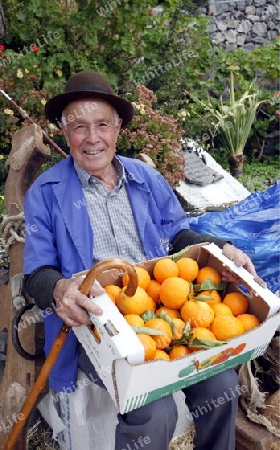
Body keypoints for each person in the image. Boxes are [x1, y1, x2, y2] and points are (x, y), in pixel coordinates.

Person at [23, 70, 257, 450]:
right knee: (154, 410)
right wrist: (61, 287)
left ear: (118, 129)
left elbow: (178, 236)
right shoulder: (46, 193)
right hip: (98, 325)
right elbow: (36, 272)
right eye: (80, 127)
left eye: (102, 124)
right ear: (65, 133)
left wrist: (222, 247)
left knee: (222, 385)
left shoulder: (145, 177)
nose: (93, 138)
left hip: (162, 307)